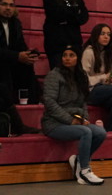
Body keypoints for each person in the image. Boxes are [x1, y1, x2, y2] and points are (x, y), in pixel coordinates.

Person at [41, 45, 106, 185]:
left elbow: (83, 102)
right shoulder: (54, 75)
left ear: (77, 58)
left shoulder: (81, 76)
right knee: (85, 132)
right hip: (53, 123)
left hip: (75, 120)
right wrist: (70, 120)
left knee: (100, 132)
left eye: (71, 55)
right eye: (65, 55)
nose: (67, 58)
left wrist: (85, 118)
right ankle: (84, 170)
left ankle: (79, 160)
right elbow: (49, 103)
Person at [0, 0, 40, 105]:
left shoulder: (15, 23)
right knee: (1, 65)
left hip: (11, 58)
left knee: (27, 65)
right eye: (4, 4)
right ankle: (9, 103)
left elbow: (21, 45)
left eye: (11, 5)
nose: (8, 8)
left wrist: (28, 54)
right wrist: (16, 56)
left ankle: (29, 102)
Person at [42, 0, 89, 69]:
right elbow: (57, 15)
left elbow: (84, 16)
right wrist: (74, 13)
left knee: (75, 72)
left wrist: (70, 16)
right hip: (56, 43)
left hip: (74, 41)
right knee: (59, 71)